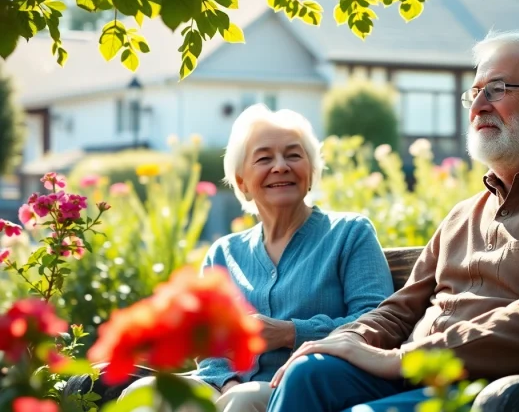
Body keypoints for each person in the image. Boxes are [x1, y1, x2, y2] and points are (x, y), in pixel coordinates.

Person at [265, 31, 519, 411]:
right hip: (423, 380)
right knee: (309, 373)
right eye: (474, 92)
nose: (477, 106)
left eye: (496, 90)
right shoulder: (464, 214)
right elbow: (400, 310)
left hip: (517, 394)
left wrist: (404, 359)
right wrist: (346, 339)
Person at [117, 104, 395, 411]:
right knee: (142, 393)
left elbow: (376, 321)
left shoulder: (349, 233)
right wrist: (226, 382)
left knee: (244, 399)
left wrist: (290, 333)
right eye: (264, 158)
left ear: (311, 173)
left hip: (308, 388)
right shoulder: (224, 253)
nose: (281, 166)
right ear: (241, 182)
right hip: (225, 387)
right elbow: (209, 344)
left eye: (293, 155)